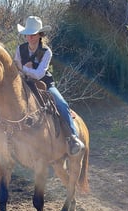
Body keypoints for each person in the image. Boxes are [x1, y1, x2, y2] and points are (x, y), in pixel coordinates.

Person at [14, 16, 84, 155]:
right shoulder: (20, 49)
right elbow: (15, 67)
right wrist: (23, 69)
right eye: (28, 34)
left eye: (33, 35)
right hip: (24, 83)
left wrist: (25, 68)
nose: (30, 38)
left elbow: (39, 74)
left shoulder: (46, 52)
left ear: (40, 34)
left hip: (44, 84)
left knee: (62, 104)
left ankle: (73, 137)